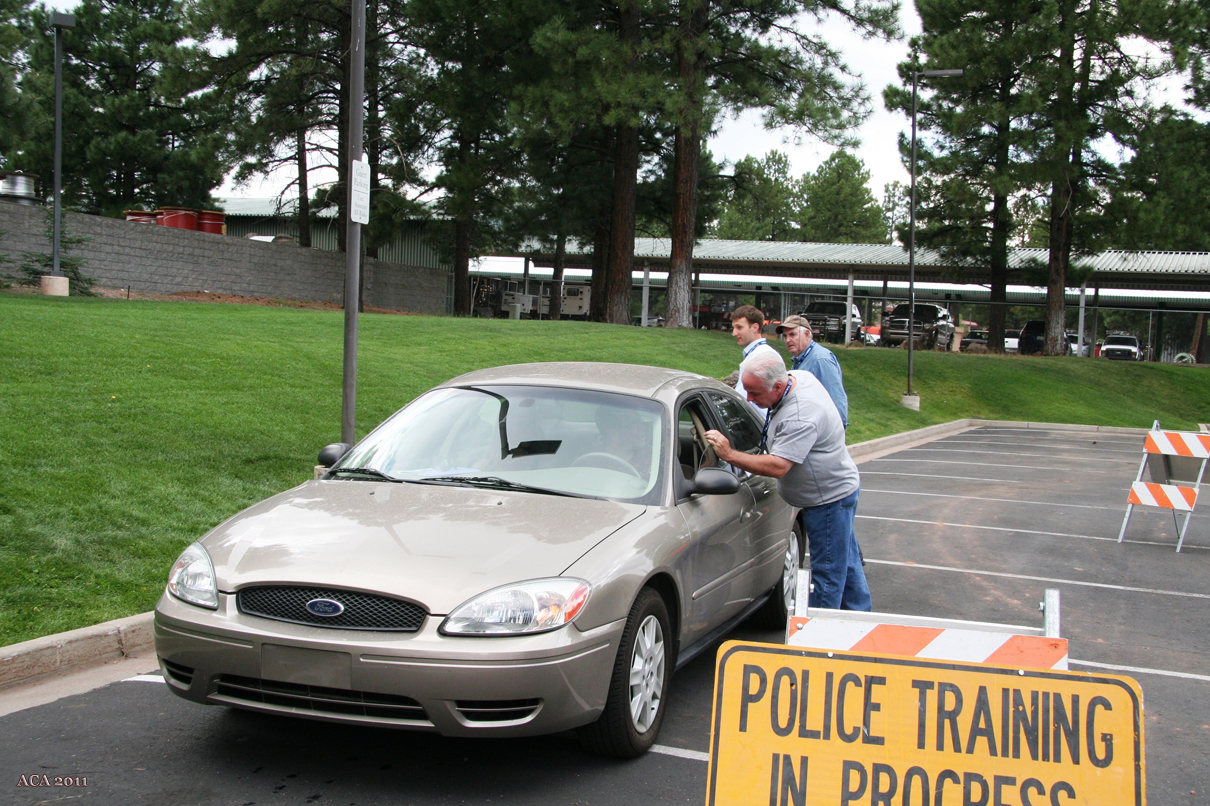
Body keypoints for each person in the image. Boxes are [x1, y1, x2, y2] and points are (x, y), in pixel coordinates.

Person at [703, 351, 871, 611]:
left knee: (828, 576)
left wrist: (729, 454)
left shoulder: (801, 414)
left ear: (779, 387)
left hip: (828, 501)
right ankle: (861, 617)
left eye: (755, 393)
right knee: (845, 564)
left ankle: (819, 633)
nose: (749, 399)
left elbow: (779, 466)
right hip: (839, 491)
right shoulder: (798, 377)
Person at [775, 314, 849, 428]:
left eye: (792, 334)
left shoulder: (820, 360)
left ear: (806, 334)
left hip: (822, 432)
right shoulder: (802, 359)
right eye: (785, 336)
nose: (788, 340)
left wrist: (837, 430)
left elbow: (836, 399)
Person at [729, 304, 780, 417]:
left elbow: (742, 400)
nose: (734, 333)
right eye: (734, 328)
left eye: (739, 327)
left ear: (755, 327)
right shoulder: (762, 352)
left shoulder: (759, 356)